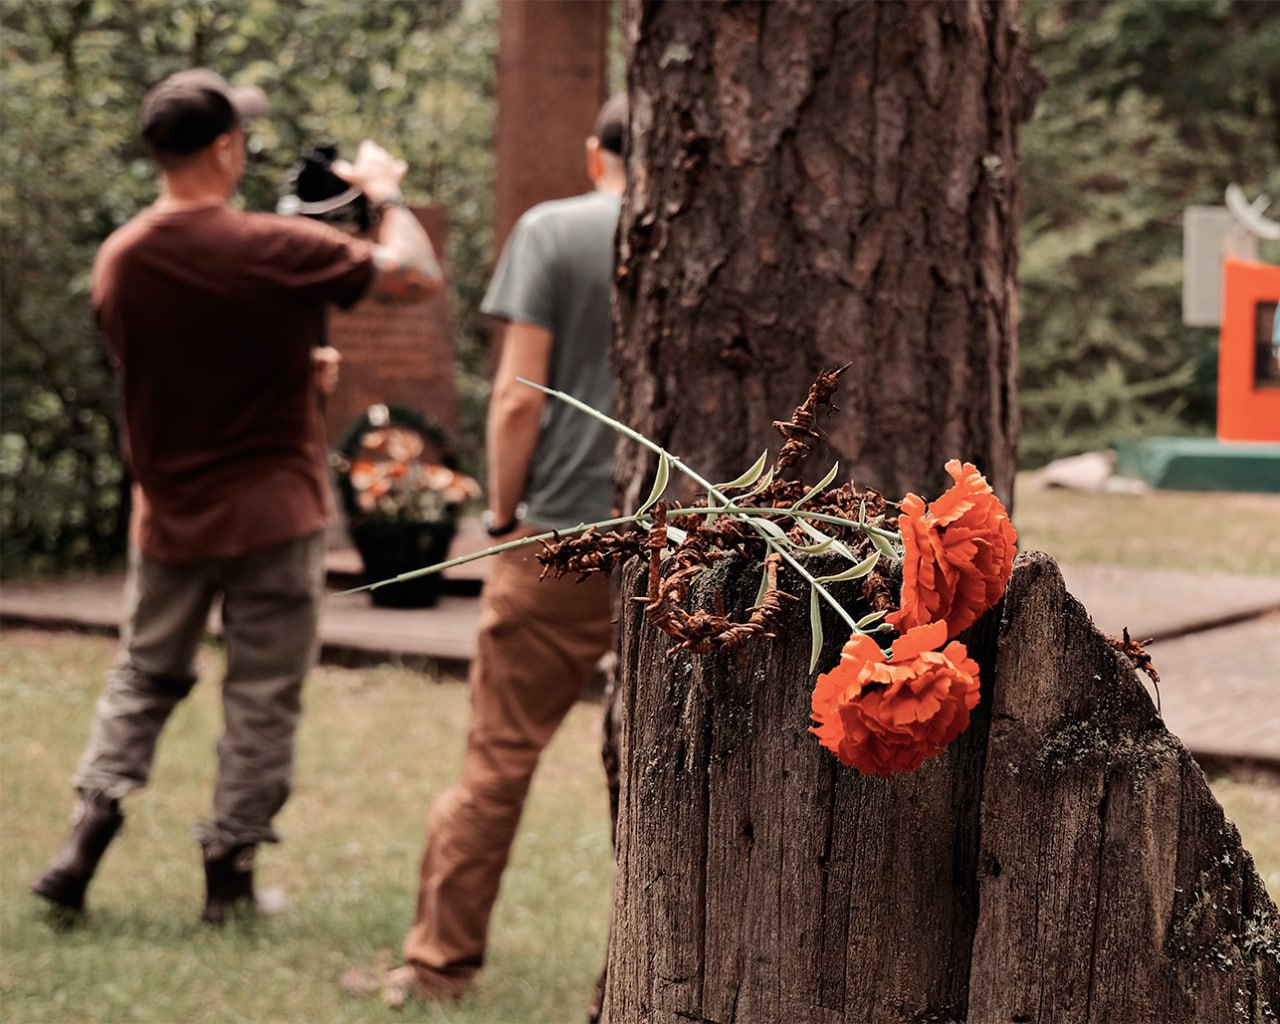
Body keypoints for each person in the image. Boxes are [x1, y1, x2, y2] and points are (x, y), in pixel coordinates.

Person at [31, 68, 444, 924]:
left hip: (170, 513)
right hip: (273, 512)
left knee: (144, 675)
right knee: (261, 693)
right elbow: (414, 275)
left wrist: (292, 368)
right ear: (224, 148)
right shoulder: (270, 247)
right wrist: (385, 193)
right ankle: (229, 880)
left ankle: (85, 840)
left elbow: (162, 367)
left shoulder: (122, 259)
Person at [343, 92, 628, 1006]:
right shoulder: (715, 238)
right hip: (686, 549)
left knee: (497, 761)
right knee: (670, 766)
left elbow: (516, 395)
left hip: (559, 542)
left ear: (596, 154)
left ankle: (438, 966)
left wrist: (503, 518)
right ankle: (648, 969)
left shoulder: (553, 231)